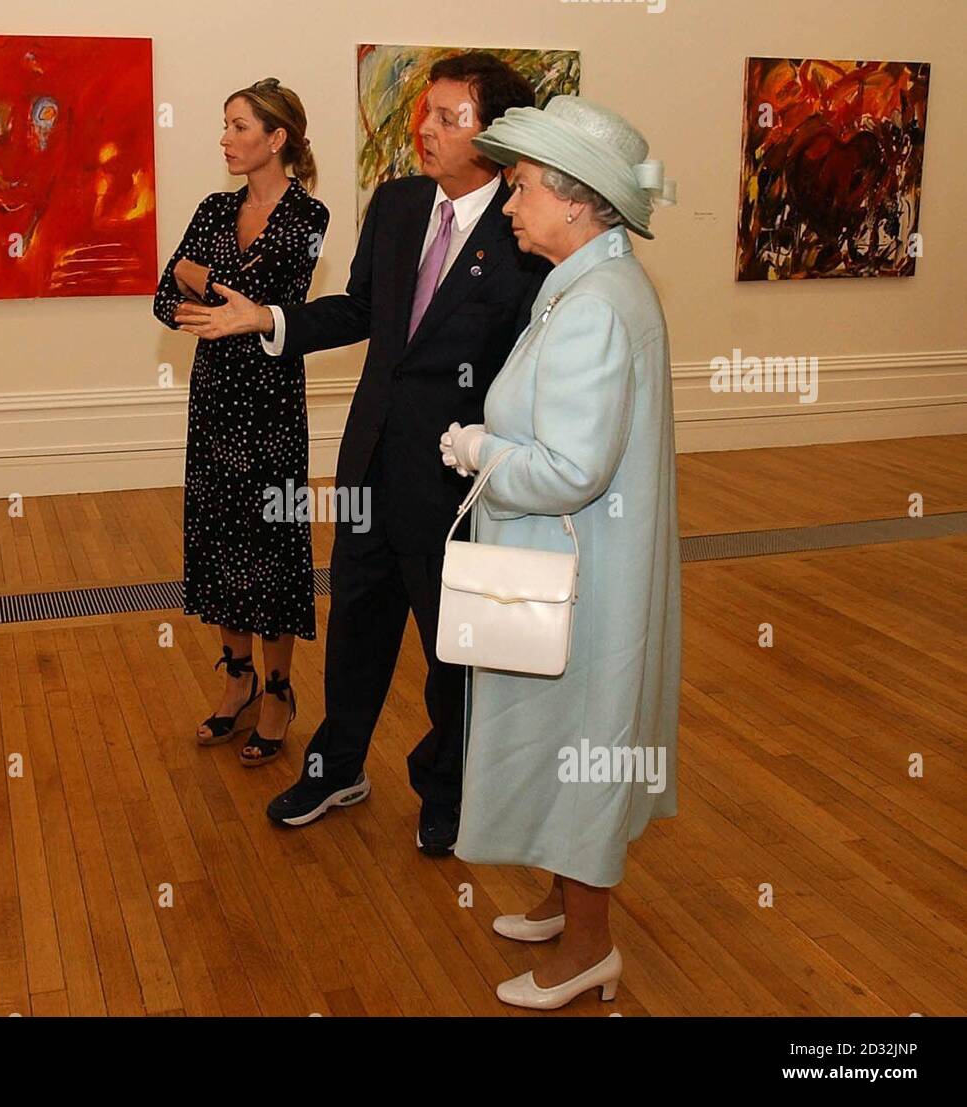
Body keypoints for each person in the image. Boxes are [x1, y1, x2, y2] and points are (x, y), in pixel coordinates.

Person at [176, 53, 549, 852]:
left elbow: (531, 364)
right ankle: (337, 763)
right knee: (355, 631)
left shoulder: (527, 231)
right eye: (427, 112)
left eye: (452, 118)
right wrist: (269, 321)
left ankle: (446, 790)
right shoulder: (400, 202)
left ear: (499, 136)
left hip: (457, 482)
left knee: (453, 650)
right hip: (369, 469)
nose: (427, 128)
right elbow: (357, 309)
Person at [438, 96, 680, 1009]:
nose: (509, 205)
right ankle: (559, 900)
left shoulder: (597, 307)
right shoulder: (589, 282)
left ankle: (589, 948)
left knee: (580, 745)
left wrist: (478, 451)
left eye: (525, 187)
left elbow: (571, 469)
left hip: (580, 577)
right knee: (560, 743)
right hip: (576, 567)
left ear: (580, 204)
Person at [153, 78, 329, 766]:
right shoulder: (213, 205)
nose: (225, 139)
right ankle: (237, 682)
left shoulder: (306, 216)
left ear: (276, 138)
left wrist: (204, 274)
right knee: (221, 533)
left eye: (238, 126)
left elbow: (265, 293)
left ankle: (280, 691)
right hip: (216, 394)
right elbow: (165, 292)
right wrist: (201, 285)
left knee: (273, 543)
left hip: (273, 401)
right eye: (225, 126)